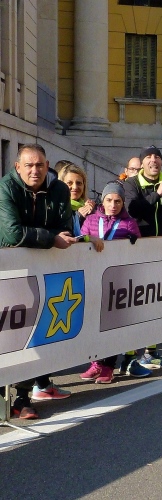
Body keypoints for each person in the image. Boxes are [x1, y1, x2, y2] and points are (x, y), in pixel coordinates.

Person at [0, 144, 77, 419]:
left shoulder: (59, 189)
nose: (35, 170)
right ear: (17, 167)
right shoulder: (6, 188)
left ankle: (22, 396)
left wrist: (49, 237)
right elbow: (11, 234)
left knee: (35, 330)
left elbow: (65, 227)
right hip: (8, 271)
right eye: (29, 165)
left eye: (40, 165)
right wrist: (50, 238)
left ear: (47, 166)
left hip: (43, 270)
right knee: (9, 333)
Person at [121, 145, 162, 370]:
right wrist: (157, 193)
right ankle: (130, 356)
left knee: (156, 304)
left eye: (157, 157)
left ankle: (152, 352)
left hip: (160, 252)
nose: (154, 160)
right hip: (136, 251)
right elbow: (133, 210)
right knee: (134, 305)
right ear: (142, 163)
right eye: (149, 157)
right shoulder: (132, 184)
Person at [79, 182, 141, 384]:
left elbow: (139, 249)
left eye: (117, 201)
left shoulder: (129, 223)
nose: (113, 205)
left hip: (117, 280)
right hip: (93, 277)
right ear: (102, 201)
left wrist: (132, 243)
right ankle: (96, 363)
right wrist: (88, 239)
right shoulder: (91, 220)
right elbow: (80, 241)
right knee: (93, 321)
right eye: (109, 200)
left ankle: (108, 366)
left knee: (112, 324)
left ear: (123, 203)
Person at [56, 161, 96, 237]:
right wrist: (78, 216)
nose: (75, 187)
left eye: (79, 183)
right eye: (69, 183)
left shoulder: (90, 208)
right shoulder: (55, 207)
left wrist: (93, 215)